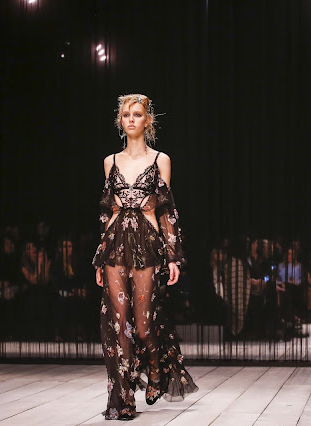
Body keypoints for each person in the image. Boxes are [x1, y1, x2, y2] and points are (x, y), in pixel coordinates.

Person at [92, 94, 197, 420]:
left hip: (147, 246)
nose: (131, 120)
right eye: (126, 115)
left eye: (137, 114)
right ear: (120, 120)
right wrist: (100, 256)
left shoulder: (160, 160)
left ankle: (154, 368)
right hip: (115, 246)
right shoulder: (110, 161)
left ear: (148, 120)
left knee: (143, 324)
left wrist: (173, 257)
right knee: (119, 324)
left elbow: (166, 212)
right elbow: (108, 213)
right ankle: (123, 400)